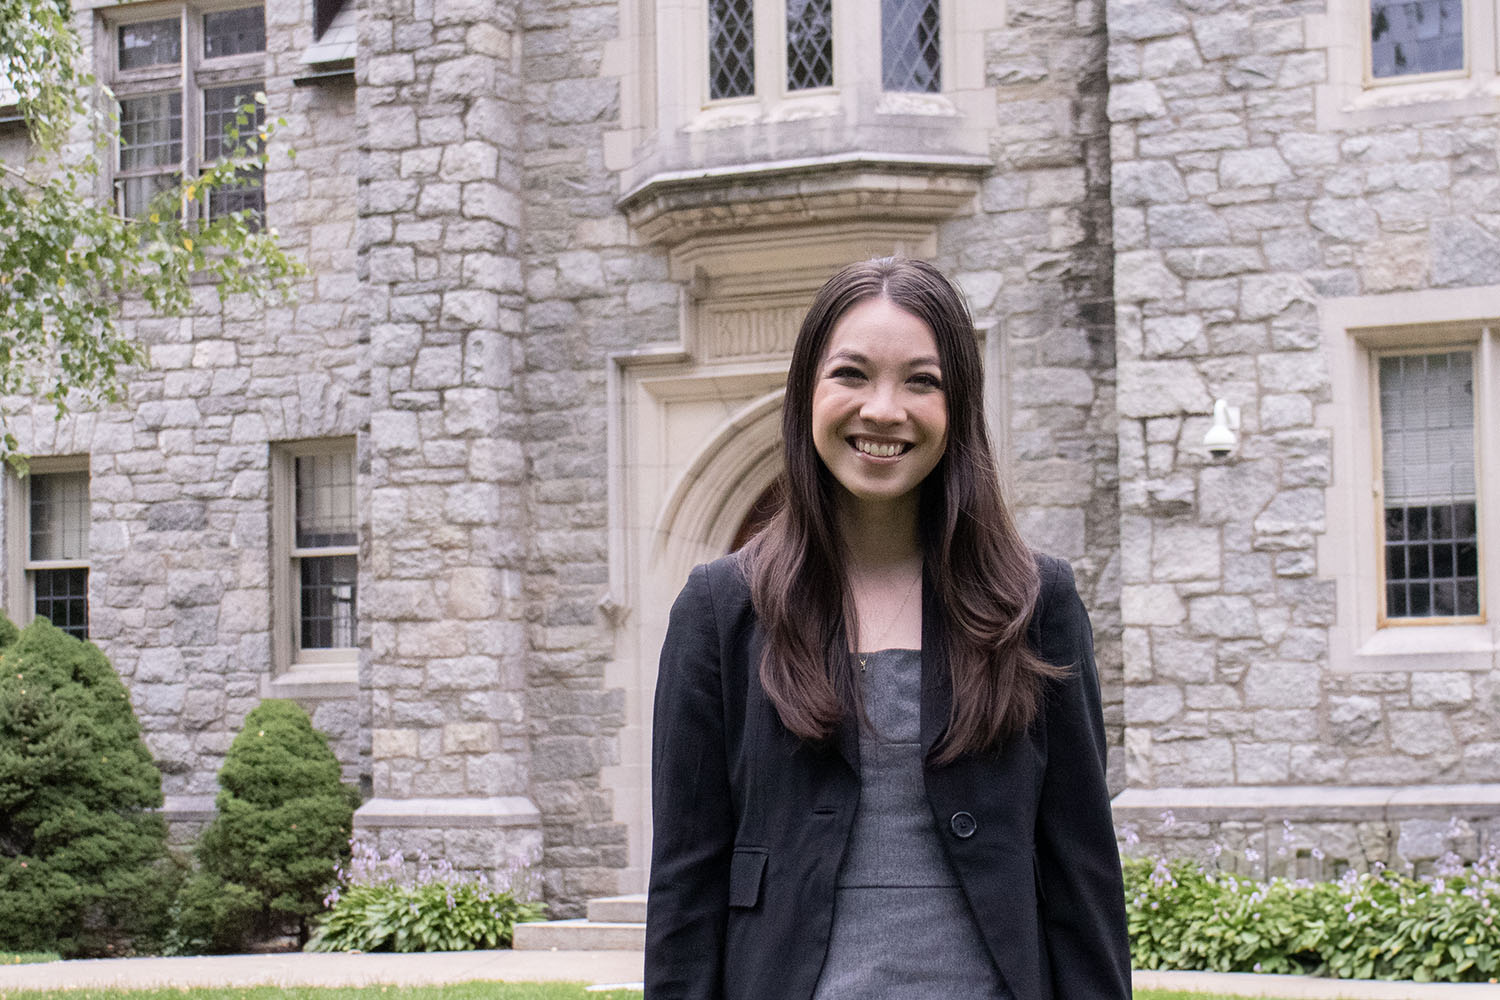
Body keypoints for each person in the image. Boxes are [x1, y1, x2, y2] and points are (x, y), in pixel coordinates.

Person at [645, 257, 1131, 1000]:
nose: (882, 410)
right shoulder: (720, 611)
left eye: (921, 381)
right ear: (808, 391)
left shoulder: (1038, 603)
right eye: (851, 374)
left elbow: (1082, 877)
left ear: (957, 406)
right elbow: (686, 883)